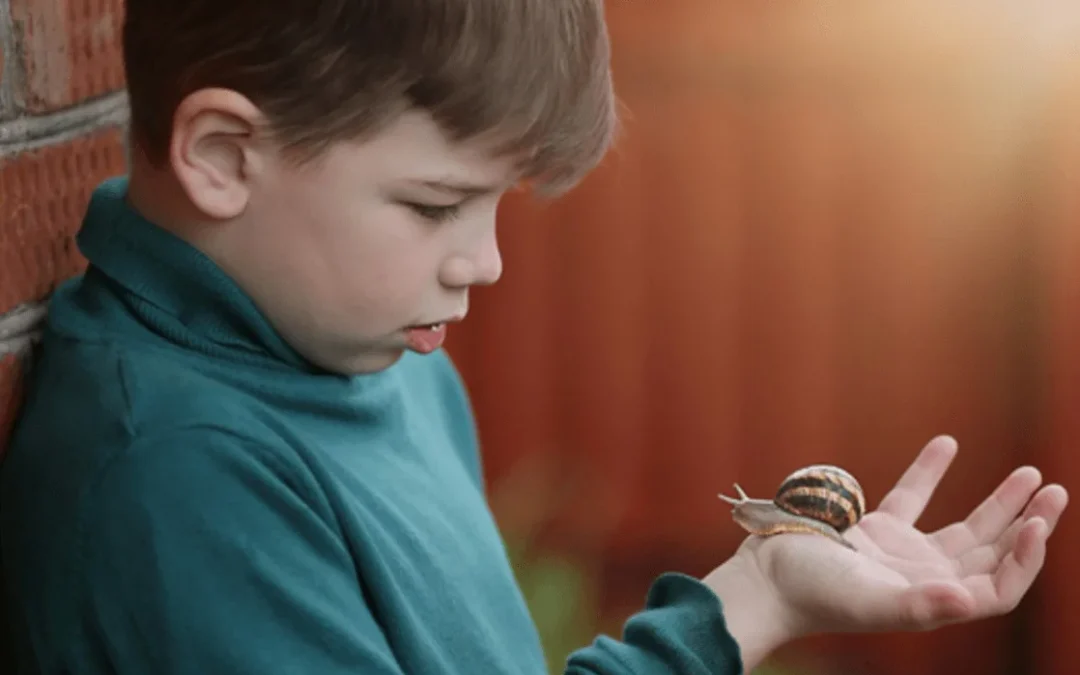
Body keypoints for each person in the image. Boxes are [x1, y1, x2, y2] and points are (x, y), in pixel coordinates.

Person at [0, 1, 1067, 673]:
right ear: (225, 154)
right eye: (432, 206)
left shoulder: (373, 355)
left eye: (497, 204)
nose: (485, 262)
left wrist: (758, 595)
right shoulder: (180, 486)